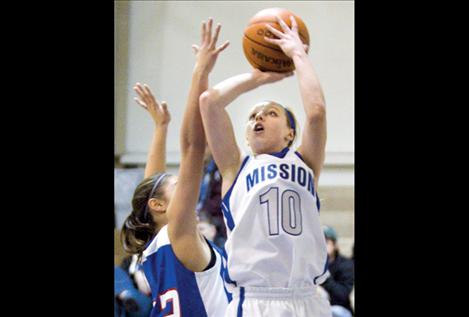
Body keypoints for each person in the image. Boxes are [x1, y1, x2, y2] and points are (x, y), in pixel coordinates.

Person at [200, 15, 332, 316]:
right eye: (253, 117)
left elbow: (316, 112)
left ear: (290, 133)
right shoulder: (235, 168)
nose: (258, 118)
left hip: (309, 298)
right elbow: (209, 102)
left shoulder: (305, 162)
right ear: (246, 136)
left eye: (270, 113)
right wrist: (259, 78)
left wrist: (297, 54)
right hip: (257, 300)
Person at [121, 18, 231, 316]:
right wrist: (200, 73)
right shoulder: (178, 234)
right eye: (178, 185)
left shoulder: (155, 245)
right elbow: (194, 146)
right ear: (160, 206)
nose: (186, 187)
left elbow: (150, 190)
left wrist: (161, 127)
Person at [320, 226, 354, 317]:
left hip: (339, 308)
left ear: (335, 245)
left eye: (326, 242)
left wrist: (324, 277)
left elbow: (342, 295)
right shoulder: (310, 264)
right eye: (319, 243)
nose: (322, 246)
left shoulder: (346, 265)